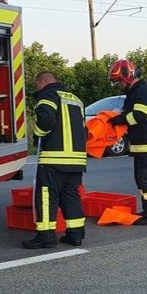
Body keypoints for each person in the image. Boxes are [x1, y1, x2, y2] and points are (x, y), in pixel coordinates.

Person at [22, 72, 87, 249]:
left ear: (42, 83)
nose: (37, 89)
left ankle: (46, 237)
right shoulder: (75, 99)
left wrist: (37, 135)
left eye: (37, 86)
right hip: (77, 159)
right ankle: (75, 235)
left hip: (54, 158)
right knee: (71, 196)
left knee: (45, 197)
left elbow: (46, 120)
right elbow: (83, 129)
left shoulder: (47, 95)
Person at [109, 59, 147, 225]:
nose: (118, 84)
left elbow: (140, 115)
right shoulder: (135, 92)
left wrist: (119, 120)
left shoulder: (143, 91)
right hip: (142, 147)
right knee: (142, 181)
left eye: (118, 81)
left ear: (127, 76)